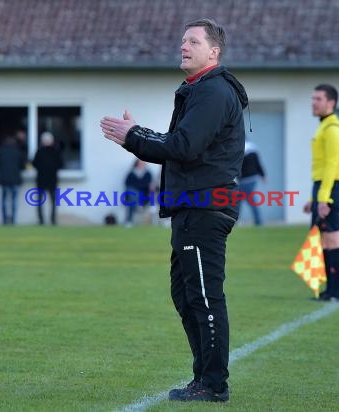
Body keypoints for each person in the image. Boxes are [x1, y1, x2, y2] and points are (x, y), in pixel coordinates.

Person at [100, 18, 248, 402]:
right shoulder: (199, 90)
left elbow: (183, 146)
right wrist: (140, 135)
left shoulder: (214, 92)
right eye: (183, 41)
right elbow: (178, 142)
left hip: (204, 206)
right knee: (185, 295)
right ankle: (204, 378)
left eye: (193, 41)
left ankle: (213, 384)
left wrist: (134, 138)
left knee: (203, 295)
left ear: (213, 52)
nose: (183, 46)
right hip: (191, 207)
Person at [303, 84, 339, 302]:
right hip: (322, 188)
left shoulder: (332, 129)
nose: (314, 102)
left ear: (331, 103)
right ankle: (329, 291)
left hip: (330, 189)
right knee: (323, 241)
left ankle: (335, 293)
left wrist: (323, 199)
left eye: (318, 99)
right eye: (313, 98)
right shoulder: (324, 126)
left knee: (333, 240)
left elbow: (331, 166)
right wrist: (313, 199)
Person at [0, 136, 25, 225]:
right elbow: (23, 166)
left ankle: (5, 219)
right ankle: (13, 219)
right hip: (15, 179)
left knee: (4, 200)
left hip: (4, 179)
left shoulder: (1, 152)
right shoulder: (18, 152)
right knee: (14, 200)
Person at [32, 132, 63, 225]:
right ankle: (52, 220)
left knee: (39, 202)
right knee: (53, 202)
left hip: (41, 179)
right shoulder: (56, 152)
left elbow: (34, 164)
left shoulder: (39, 151)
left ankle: (41, 221)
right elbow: (60, 164)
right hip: (52, 180)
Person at [239, 141, 266, 225]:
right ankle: (258, 221)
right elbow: (258, 164)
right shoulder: (253, 148)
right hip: (253, 178)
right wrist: (263, 175)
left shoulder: (240, 149)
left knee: (243, 201)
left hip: (245, 179)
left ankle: (258, 221)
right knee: (241, 200)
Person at [123, 159, 153, 227]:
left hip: (144, 195)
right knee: (133, 195)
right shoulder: (131, 174)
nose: (142, 164)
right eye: (140, 163)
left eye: (143, 163)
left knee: (133, 199)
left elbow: (148, 185)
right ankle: (138, 205)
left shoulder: (147, 174)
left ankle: (129, 220)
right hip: (132, 194)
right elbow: (127, 184)